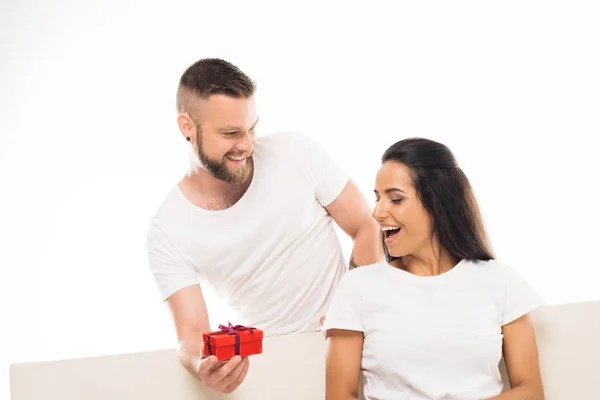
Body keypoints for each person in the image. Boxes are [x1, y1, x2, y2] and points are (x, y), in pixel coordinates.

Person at [145, 58, 381, 394]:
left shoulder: (295, 152)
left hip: (359, 345)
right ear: (187, 126)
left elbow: (366, 226)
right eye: (231, 133)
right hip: (277, 367)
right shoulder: (168, 230)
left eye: (251, 128)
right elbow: (191, 335)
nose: (247, 144)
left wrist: (357, 312)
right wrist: (203, 366)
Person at [322, 138, 545, 400]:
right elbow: (339, 396)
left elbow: (531, 391)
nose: (378, 213)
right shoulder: (358, 287)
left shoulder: (499, 281)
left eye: (395, 199)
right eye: (377, 198)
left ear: (437, 202)